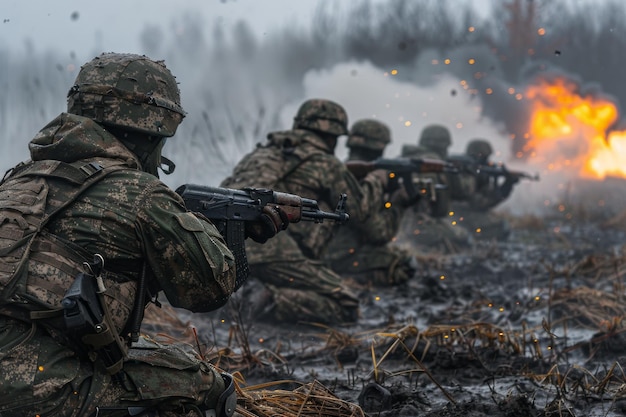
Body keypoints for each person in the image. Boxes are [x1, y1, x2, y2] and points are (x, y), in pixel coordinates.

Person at [0, 52, 289, 417]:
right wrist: (225, 233)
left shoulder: (17, 179)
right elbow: (209, 290)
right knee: (207, 389)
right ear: (153, 130)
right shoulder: (142, 196)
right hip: (30, 386)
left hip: (28, 353)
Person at [221, 99, 386, 324]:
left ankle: (239, 292)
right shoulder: (325, 163)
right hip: (271, 249)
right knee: (346, 305)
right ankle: (265, 301)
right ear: (333, 136)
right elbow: (360, 212)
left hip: (226, 245)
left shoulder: (262, 153)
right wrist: (377, 181)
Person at [324, 119, 417, 286]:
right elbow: (379, 234)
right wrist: (397, 204)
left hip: (330, 252)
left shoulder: (339, 172)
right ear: (379, 148)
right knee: (404, 265)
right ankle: (349, 280)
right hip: (340, 257)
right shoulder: (361, 181)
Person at [396, 124, 473, 253]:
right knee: (464, 237)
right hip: (419, 228)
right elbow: (456, 197)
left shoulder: (402, 159)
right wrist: (466, 173)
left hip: (394, 225)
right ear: (444, 145)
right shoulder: (436, 165)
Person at [449, 138, 520, 240]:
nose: (487, 161)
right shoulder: (466, 172)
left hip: (463, 214)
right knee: (502, 228)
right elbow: (481, 203)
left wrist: (506, 186)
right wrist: (506, 186)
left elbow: (487, 200)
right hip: (458, 215)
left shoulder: (474, 171)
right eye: (485, 158)